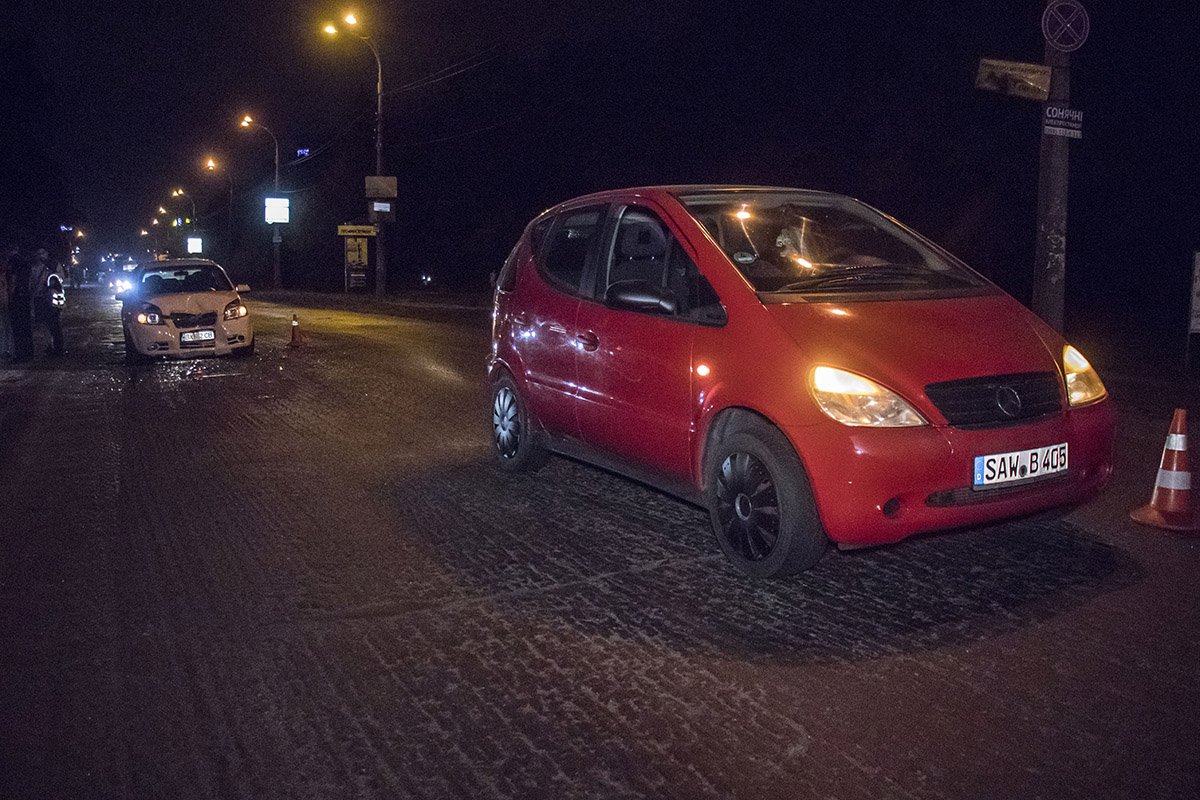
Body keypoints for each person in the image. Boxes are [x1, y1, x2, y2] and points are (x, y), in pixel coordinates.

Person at [31, 248, 64, 356]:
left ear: (47, 253)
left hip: (51, 298)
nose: (40, 255)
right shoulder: (35, 266)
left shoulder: (53, 265)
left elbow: (60, 278)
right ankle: (49, 346)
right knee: (44, 324)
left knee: (54, 323)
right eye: (38, 253)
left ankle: (58, 347)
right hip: (40, 298)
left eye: (43, 253)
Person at [8, 248, 34, 362]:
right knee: (26, 327)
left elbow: (13, 281)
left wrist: (10, 295)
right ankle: (29, 353)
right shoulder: (26, 263)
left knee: (18, 328)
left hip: (17, 298)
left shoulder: (14, 261)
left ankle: (20, 354)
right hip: (25, 297)